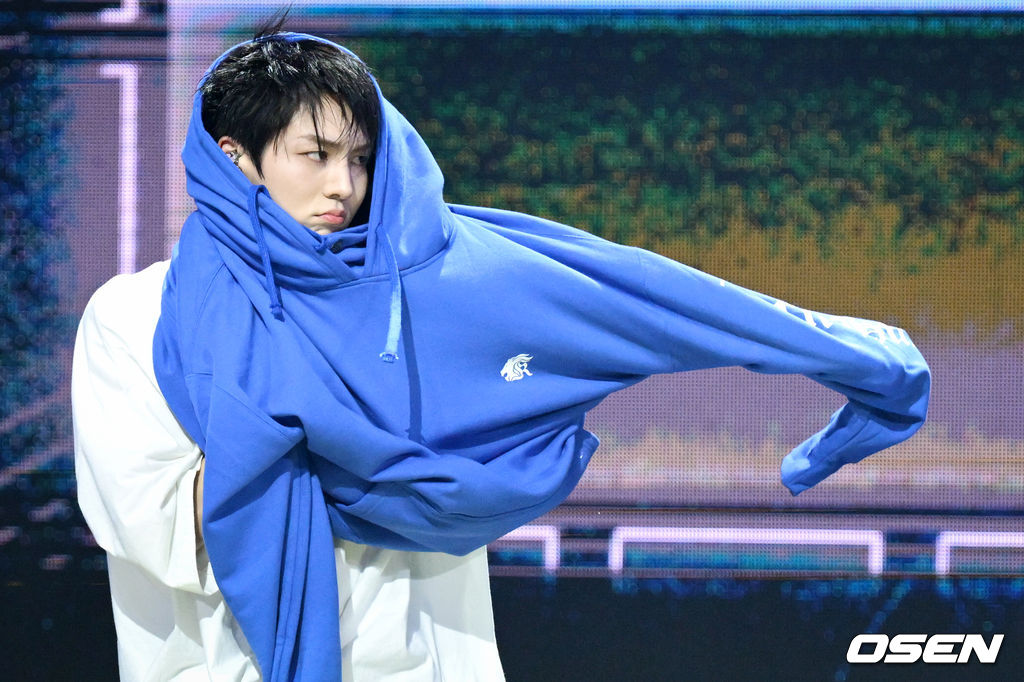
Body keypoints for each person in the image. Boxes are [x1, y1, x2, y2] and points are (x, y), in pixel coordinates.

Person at [73, 26, 931, 682]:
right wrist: (353, 439)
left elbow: (651, 300)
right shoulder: (134, 318)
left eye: (362, 158)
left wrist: (868, 366)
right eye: (316, 155)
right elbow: (149, 525)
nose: (345, 185)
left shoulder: (433, 287)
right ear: (235, 161)